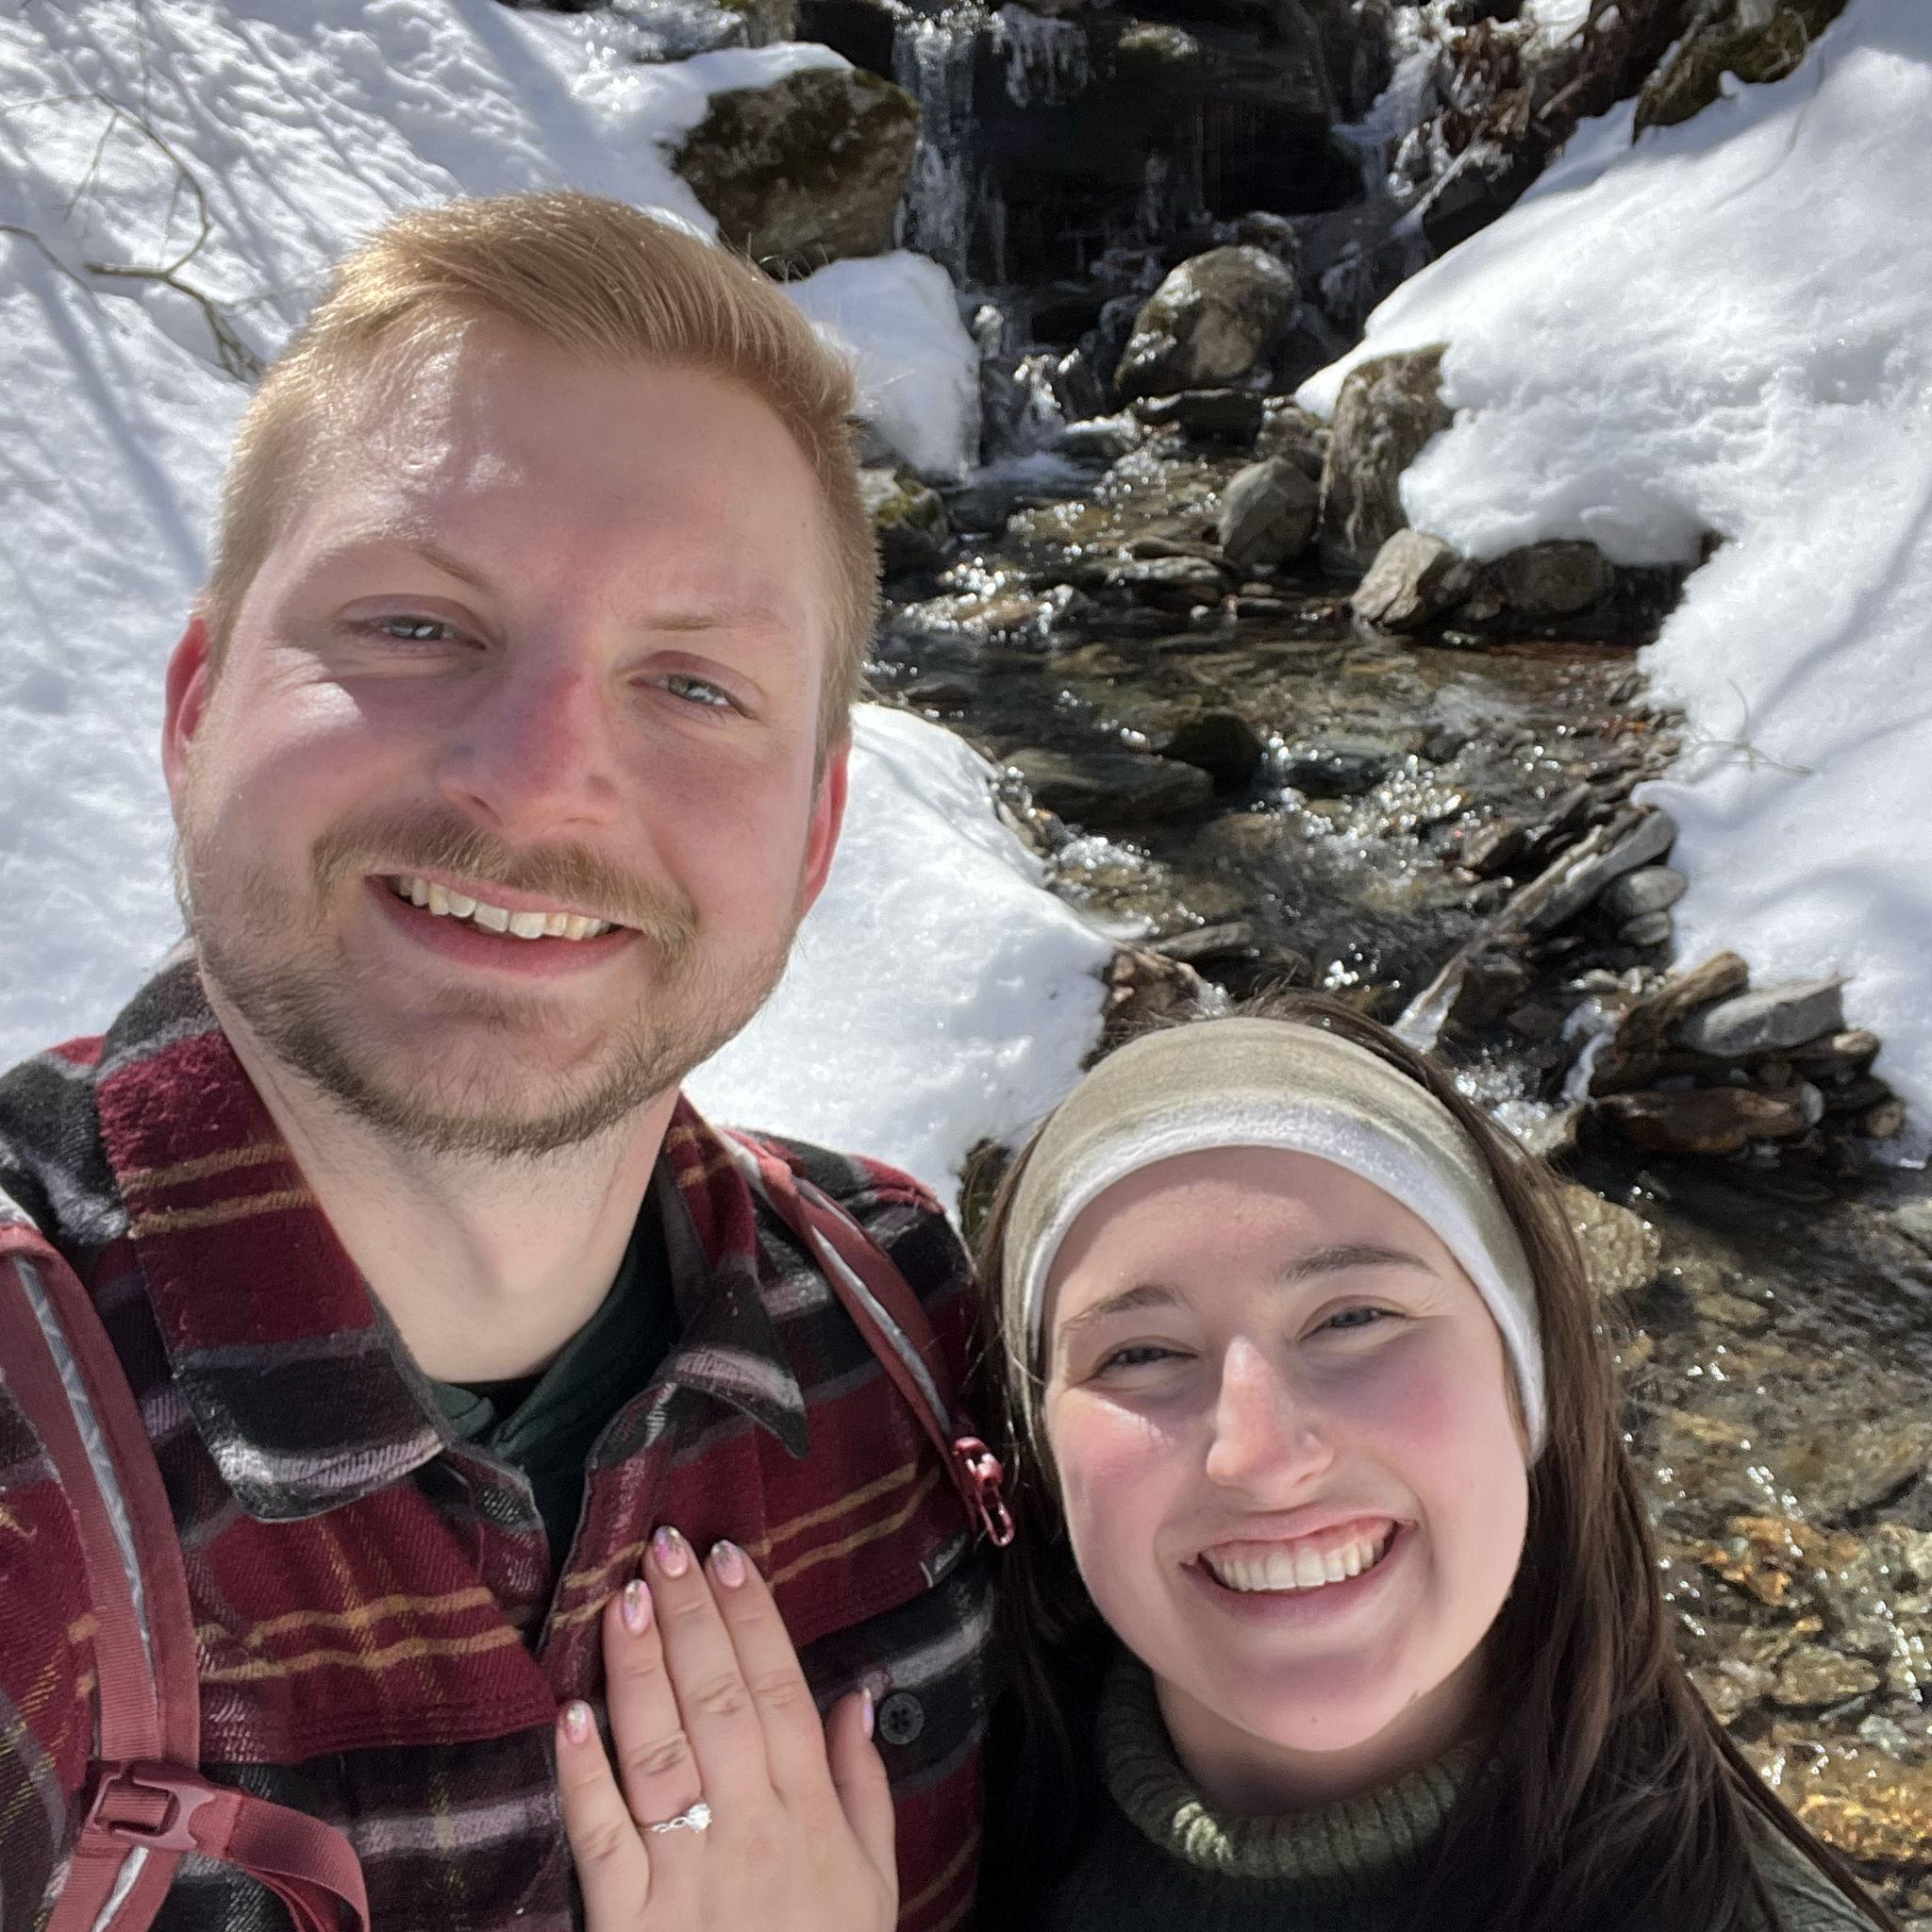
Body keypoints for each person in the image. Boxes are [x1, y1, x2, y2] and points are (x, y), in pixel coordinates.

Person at [0, 191, 994, 1932]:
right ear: (197, 706)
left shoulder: (906, 1332)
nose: (534, 780)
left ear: (816, 834)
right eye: (415, 624)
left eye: (692, 685)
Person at [965, 994, 1894, 1932]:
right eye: (1139, 1353)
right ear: (1037, 1452)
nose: (1259, 1456)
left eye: (1353, 1316)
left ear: (1526, 1385)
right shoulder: (936, 1826)